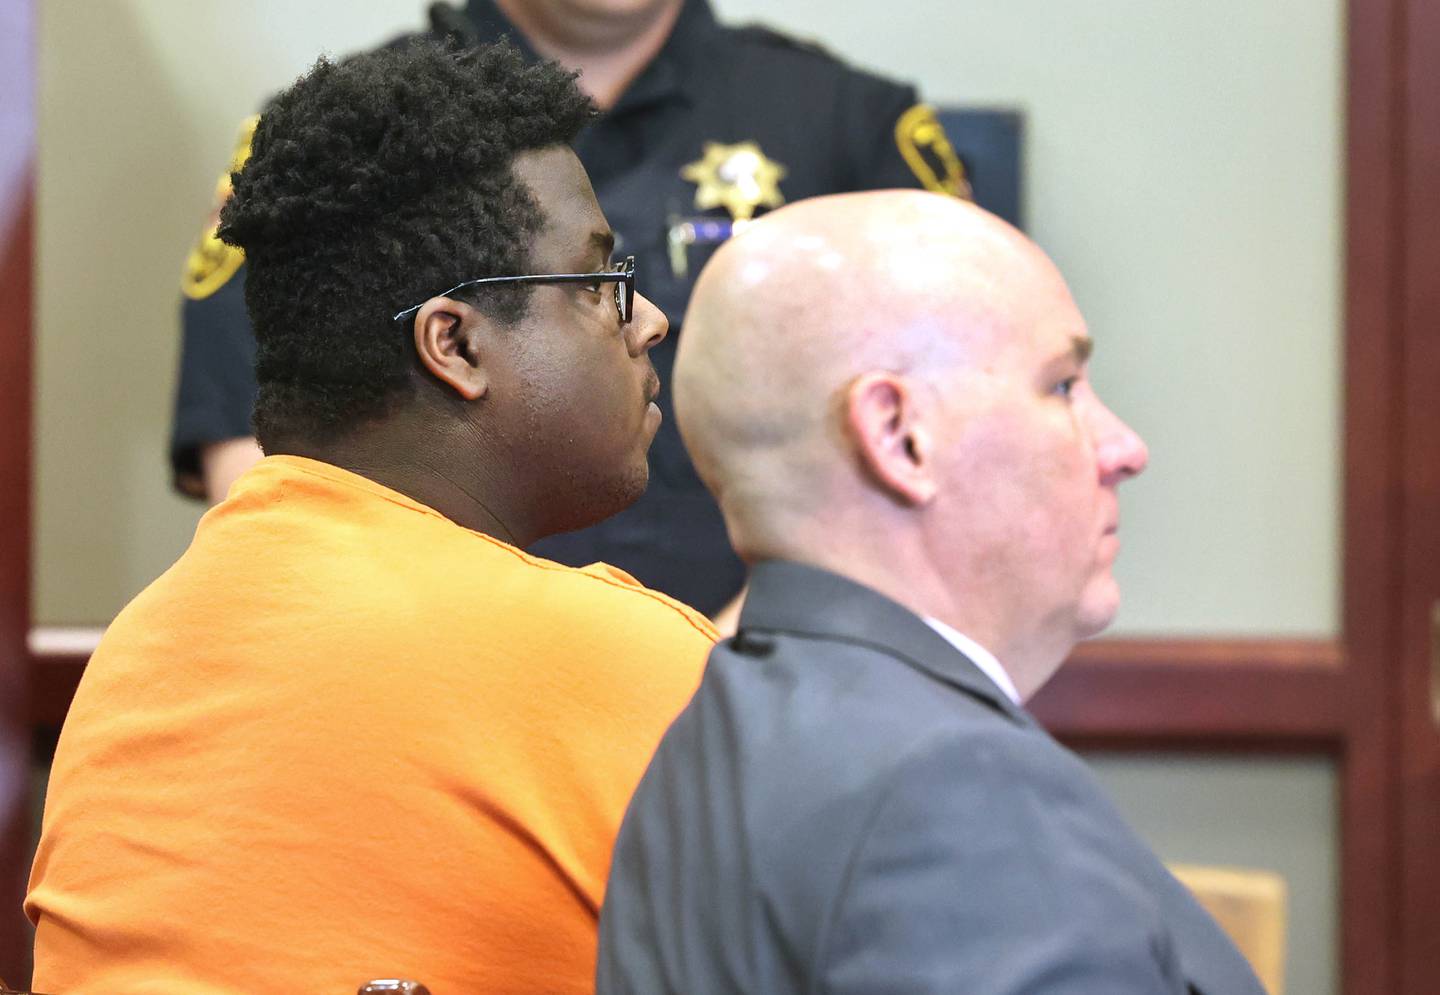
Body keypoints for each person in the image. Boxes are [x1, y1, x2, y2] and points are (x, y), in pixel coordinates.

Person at [29, 41, 715, 994]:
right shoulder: (620, 664)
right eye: (600, 284)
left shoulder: (141, 650)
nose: (648, 322)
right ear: (456, 344)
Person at [596, 191, 1267, 994]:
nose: (1125, 447)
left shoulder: (713, 732)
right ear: (899, 435)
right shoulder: (956, 785)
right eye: (1061, 385)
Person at [173, 0, 971, 620]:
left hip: (767, 705)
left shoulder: (850, 129)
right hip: (426, 688)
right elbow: (266, 455)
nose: (646, 321)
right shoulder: (345, 138)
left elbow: (942, 428)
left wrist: (722, 676)